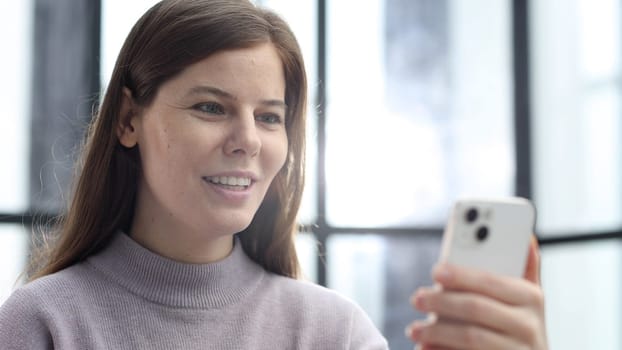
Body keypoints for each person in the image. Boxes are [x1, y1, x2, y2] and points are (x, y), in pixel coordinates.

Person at [0, 0, 548, 349]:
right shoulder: (44, 322)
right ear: (127, 120)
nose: (248, 141)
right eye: (211, 108)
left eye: (269, 117)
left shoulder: (333, 332)